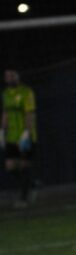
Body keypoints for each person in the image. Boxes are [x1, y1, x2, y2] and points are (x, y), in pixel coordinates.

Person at [0, 69, 38, 208]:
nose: (9, 78)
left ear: (18, 76)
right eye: (7, 76)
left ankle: (24, 198)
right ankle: (32, 184)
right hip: (11, 136)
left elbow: (29, 113)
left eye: (12, 75)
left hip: (24, 136)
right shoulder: (5, 94)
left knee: (23, 166)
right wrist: (2, 131)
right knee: (10, 166)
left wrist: (27, 132)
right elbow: (5, 113)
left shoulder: (26, 92)